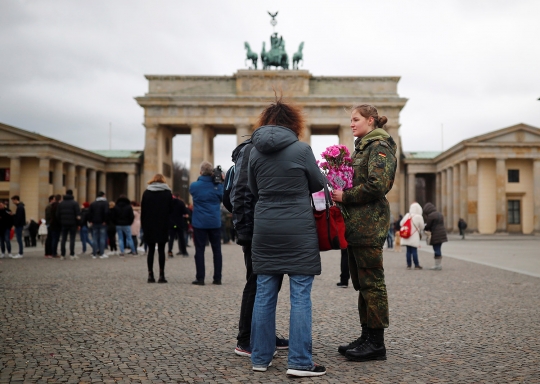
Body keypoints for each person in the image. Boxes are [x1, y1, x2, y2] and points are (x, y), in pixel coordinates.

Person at [248, 98, 327, 377]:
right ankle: (300, 362)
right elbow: (318, 184)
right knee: (300, 296)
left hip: (266, 227)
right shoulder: (302, 149)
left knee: (265, 294)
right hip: (298, 229)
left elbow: (253, 188)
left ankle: (259, 357)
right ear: (294, 123)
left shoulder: (254, 152)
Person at [332, 104, 397, 363]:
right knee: (361, 284)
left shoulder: (379, 146)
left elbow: (378, 185)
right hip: (357, 225)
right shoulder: (364, 147)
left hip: (369, 224)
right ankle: (366, 335)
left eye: (356, 119)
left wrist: (345, 196)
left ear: (370, 121)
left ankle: (376, 343)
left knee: (373, 284)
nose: (351, 124)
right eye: (350, 120)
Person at [227, 136, 289, 358]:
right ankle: (245, 340)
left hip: (266, 225)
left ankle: (264, 334)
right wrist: (244, 229)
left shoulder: (263, 149)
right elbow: (241, 192)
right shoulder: (251, 150)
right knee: (256, 282)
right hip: (255, 228)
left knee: (270, 283)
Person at [189, 161, 224, 286]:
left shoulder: (194, 186)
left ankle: (200, 278)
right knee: (217, 251)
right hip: (214, 221)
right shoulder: (218, 186)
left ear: (200, 172)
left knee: (199, 250)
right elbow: (223, 197)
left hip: (199, 222)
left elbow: (193, 193)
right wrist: (221, 181)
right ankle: (217, 278)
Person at [141, 174, 173, 283]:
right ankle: (161, 275)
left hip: (149, 225)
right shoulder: (167, 193)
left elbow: (143, 211)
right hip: (162, 225)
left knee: (150, 250)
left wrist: (143, 226)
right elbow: (170, 211)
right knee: (161, 250)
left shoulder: (146, 193)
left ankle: (150, 275)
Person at [57, 189, 81, 260]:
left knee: (63, 239)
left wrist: (60, 222)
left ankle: (62, 254)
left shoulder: (61, 204)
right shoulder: (75, 203)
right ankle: (72, 254)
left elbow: (57, 215)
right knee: (72, 238)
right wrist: (78, 224)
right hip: (72, 223)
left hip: (63, 223)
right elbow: (78, 215)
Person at [423, 202, 448, 270]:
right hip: (442, 234)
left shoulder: (431, 216)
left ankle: (438, 265)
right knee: (438, 248)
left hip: (436, 234)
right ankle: (438, 264)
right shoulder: (439, 214)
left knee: (436, 249)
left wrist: (424, 228)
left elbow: (428, 226)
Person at [400, 203, 424, 270]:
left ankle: (409, 265)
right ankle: (416, 265)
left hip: (407, 235)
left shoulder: (407, 215)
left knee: (408, 251)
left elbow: (401, 223)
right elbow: (422, 227)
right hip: (414, 236)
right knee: (414, 251)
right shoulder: (419, 217)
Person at [88, 191, 109, 259]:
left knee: (94, 238)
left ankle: (94, 253)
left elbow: (89, 213)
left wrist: (90, 221)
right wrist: (105, 220)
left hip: (94, 222)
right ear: (103, 196)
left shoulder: (93, 203)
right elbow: (106, 212)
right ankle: (101, 253)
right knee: (102, 238)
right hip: (102, 222)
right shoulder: (105, 203)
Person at [168, 193, 189, 257]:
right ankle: (184, 252)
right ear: (178, 196)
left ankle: (170, 251)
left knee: (171, 238)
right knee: (181, 238)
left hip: (171, 223)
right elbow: (185, 212)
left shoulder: (169, 203)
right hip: (179, 222)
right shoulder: (181, 203)